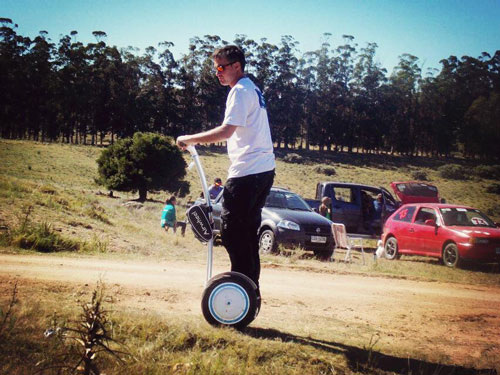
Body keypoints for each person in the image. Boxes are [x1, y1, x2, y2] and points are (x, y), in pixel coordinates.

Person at [176, 45, 275, 289]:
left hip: (248, 172)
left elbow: (226, 130)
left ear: (236, 66)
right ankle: (250, 289)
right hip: (263, 170)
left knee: (232, 233)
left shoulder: (240, 91)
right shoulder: (252, 88)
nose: (217, 73)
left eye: (221, 68)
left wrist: (190, 139)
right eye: (215, 69)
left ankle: (240, 290)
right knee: (248, 235)